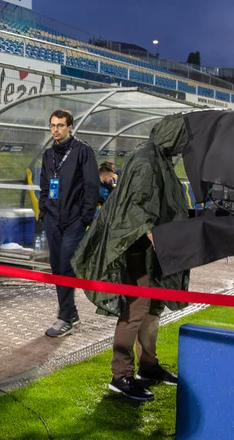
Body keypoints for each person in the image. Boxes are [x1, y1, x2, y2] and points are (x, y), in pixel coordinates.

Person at [71, 113, 191, 401]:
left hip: (148, 250)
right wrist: (158, 237)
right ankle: (121, 375)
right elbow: (137, 208)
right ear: (173, 136)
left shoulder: (158, 156)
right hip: (133, 248)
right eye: (183, 140)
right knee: (135, 309)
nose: (185, 146)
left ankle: (148, 366)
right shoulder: (147, 159)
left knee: (152, 308)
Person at [39, 109, 100, 338]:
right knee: (57, 266)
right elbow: (45, 186)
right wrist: (43, 211)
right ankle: (70, 313)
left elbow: (91, 186)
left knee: (66, 264)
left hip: (74, 220)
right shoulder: (48, 155)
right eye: (52, 125)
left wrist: (85, 217)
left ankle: (65, 317)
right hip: (52, 219)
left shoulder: (82, 151)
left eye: (60, 125)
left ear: (70, 127)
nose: (56, 129)